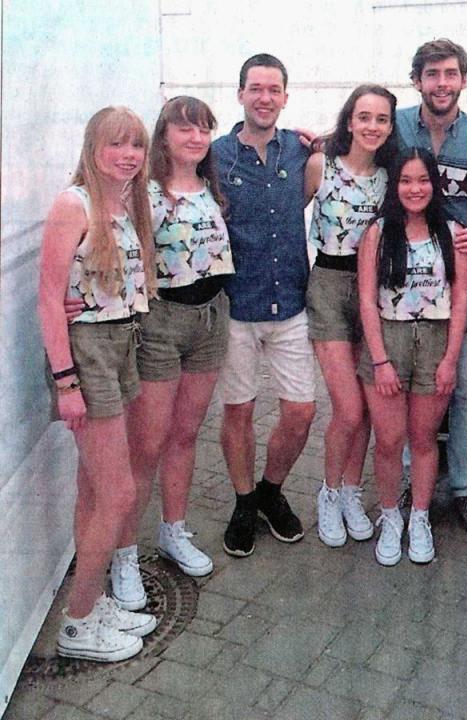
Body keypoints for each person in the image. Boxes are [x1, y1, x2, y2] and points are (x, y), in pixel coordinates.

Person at [103, 97, 233, 611]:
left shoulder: (211, 187)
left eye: (203, 129)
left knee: (185, 434)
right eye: (185, 129)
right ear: (164, 136)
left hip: (211, 319)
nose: (196, 138)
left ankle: (173, 531)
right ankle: (123, 555)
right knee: (146, 444)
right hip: (161, 322)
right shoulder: (143, 192)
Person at [38, 107, 158, 661]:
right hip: (86, 354)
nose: (128, 155)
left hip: (121, 344)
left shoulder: (126, 203)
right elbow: (48, 299)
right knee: (120, 493)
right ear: (93, 147)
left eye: (136, 145)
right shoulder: (74, 204)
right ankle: (79, 623)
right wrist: (66, 383)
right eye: (116, 144)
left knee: (93, 489)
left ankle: (93, 601)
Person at [395, 38, 467, 541]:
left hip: (466, 286)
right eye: (432, 74)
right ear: (416, 80)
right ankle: (405, 484)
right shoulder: (394, 127)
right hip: (404, 285)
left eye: (450, 73)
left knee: (464, 388)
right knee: (403, 387)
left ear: (464, 79)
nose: (442, 83)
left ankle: (464, 489)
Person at [213, 54, 315, 557]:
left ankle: (270, 492)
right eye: (255, 88)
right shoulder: (214, 156)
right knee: (239, 411)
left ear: (285, 97)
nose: (264, 97)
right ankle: (243, 501)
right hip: (236, 305)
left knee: (302, 411)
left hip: (290, 302)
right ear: (240, 94)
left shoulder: (301, 150)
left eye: (274, 89)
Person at [357, 147, 467, 565]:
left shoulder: (452, 233)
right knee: (389, 440)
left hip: (435, 341)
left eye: (423, 180)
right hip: (390, 338)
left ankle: (419, 518)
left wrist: (450, 359)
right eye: (406, 180)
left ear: (434, 184)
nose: (415, 189)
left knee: (423, 439)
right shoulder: (378, 232)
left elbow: (460, 301)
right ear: (395, 185)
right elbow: (367, 300)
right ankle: (390, 516)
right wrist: (380, 360)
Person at [304, 85, 397, 547]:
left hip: (374, 292)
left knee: (367, 410)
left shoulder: (390, 177)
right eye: (364, 117)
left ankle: (351, 493)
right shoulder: (321, 165)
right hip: (328, 285)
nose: (372, 126)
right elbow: (283, 215)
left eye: (381, 119)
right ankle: (328, 491)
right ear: (349, 120)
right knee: (348, 407)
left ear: (391, 126)